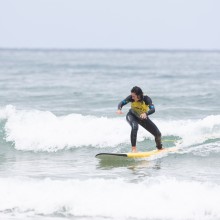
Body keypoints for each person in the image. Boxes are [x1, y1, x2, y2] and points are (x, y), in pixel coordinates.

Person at [116, 86, 163, 153]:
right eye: (131, 96)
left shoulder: (146, 99)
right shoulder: (131, 98)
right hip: (131, 115)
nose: (132, 97)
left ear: (139, 95)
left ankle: (160, 148)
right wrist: (119, 109)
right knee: (135, 127)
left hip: (142, 118)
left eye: (134, 96)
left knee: (158, 134)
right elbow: (122, 103)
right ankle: (134, 149)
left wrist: (146, 114)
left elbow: (153, 109)